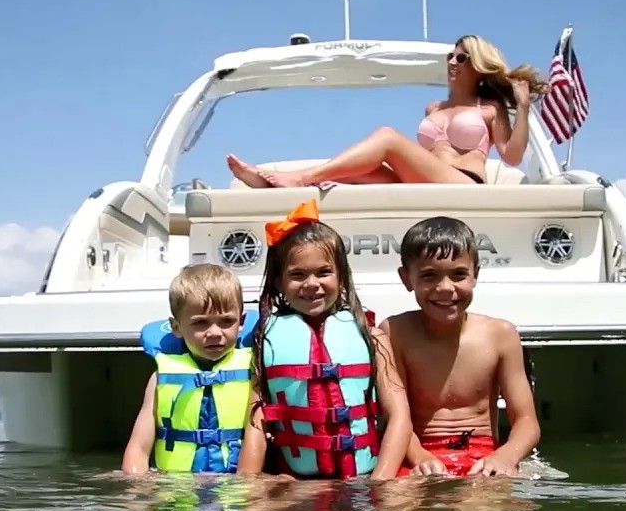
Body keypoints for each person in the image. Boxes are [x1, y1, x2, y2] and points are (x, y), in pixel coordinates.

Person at [224, 34, 548, 189]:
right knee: (356, 171)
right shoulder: (434, 107)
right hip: (424, 182)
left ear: (478, 66)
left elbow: (512, 156)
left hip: (462, 184)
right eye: (451, 56)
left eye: (461, 58)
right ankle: (275, 184)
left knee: (388, 138)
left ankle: (300, 178)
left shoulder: (488, 108)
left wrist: (521, 106)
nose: (452, 62)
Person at [237, 199, 412, 480]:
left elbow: (399, 417)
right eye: (297, 275)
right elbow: (256, 421)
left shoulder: (372, 337)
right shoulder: (265, 342)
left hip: (365, 478)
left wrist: (380, 484)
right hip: (295, 482)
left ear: (341, 276)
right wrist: (247, 487)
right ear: (279, 282)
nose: (311, 284)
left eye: (323, 272)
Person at [381, 216, 542, 477]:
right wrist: (421, 457)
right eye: (429, 276)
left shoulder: (501, 335)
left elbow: (527, 422)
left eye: (459, 275)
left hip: (484, 454)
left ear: (475, 274)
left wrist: (505, 456)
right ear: (406, 278)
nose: (445, 288)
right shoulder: (395, 332)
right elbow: (395, 417)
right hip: (417, 452)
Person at [121, 263, 255, 474]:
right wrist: (136, 487)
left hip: (236, 484)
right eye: (201, 323)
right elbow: (138, 448)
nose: (214, 332)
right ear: (176, 327)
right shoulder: (160, 378)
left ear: (242, 322)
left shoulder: (253, 371)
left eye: (226, 321)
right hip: (178, 486)